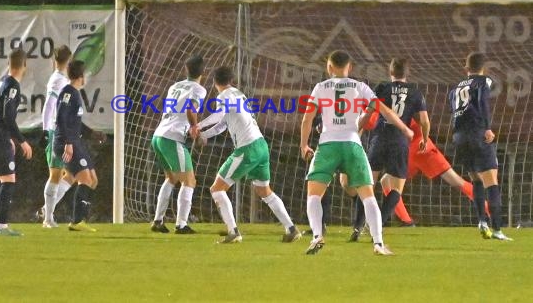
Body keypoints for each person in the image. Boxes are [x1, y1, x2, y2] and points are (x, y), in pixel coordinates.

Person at [300, 51, 413, 255]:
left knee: (313, 195)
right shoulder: (359, 87)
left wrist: (304, 145)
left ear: (329, 67)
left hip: (327, 145)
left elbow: (307, 119)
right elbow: (385, 110)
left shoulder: (320, 88)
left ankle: (317, 235)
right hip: (352, 144)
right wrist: (405, 129)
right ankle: (378, 243)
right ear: (349, 67)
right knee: (368, 196)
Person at [193, 66, 301, 244]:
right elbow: (223, 124)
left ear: (214, 82)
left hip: (247, 148)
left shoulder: (224, 96)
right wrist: (204, 135)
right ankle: (291, 229)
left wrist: (198, 126)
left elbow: (218, 115)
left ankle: (233, 232)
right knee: (264, 191)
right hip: (261, 146)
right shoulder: (238, 94)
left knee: (217, 189)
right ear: (231, 80)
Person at [349, 58, 429, 241]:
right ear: (407, 72)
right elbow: (424, 120)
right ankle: (377, 226)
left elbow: (368, 113)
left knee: (367, 185)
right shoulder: (415, 92)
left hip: (379, 138)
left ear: (390, 71)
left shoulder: (382, 88)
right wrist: (424, 138)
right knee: (397, 188)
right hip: (399, 141)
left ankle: (357, 227)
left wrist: (357, 132)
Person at [449, 52, 512, 240]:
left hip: (459, 137)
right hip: (477, 133)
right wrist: (487, 128)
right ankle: (498, 230)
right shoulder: (483, 81)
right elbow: (482, 102)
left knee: (476, 180)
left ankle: (482, 222)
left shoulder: (454, 89)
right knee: (491, 182)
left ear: (466, 68)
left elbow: (452, 110)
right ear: (483, 68)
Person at [150, 55, 206, 234]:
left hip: (158, 135)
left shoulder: (174, 86)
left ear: (185, 70)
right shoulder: (199, 89)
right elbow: (190, 108)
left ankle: (158, 221)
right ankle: (181, 224)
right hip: (172, 138)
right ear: (202, 72)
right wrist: (194, 129)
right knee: (189, 181)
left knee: (171, 178)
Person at [0, 49, 33, 236]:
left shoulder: (4, 81)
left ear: (9, 63)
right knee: (8, 180)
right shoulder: (12, 85)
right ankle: (2, 226)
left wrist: (9, 139)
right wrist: (22, 141)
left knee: (0, 179)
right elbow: (7, 117)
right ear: (24, 66)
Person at [54, 60, 102, 232]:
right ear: (81, 76)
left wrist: (92, 133)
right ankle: (76, 221)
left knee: (93, 180)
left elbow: (75, 123)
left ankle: (52, 210)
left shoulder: (75, 93)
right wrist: (67, 143)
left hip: (76, 142)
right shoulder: (68, 93)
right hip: (66, 143)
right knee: (85, 179)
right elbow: (61, 118)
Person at [39, 45, 75, 228]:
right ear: (68, 61)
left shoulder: (62, 79)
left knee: (70, 174)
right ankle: (47, 218)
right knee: (55, 174)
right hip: (55, 132)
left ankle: (47, 210)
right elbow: (49, 105)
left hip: (61, 132)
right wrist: (46, 130)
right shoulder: (58, 80)